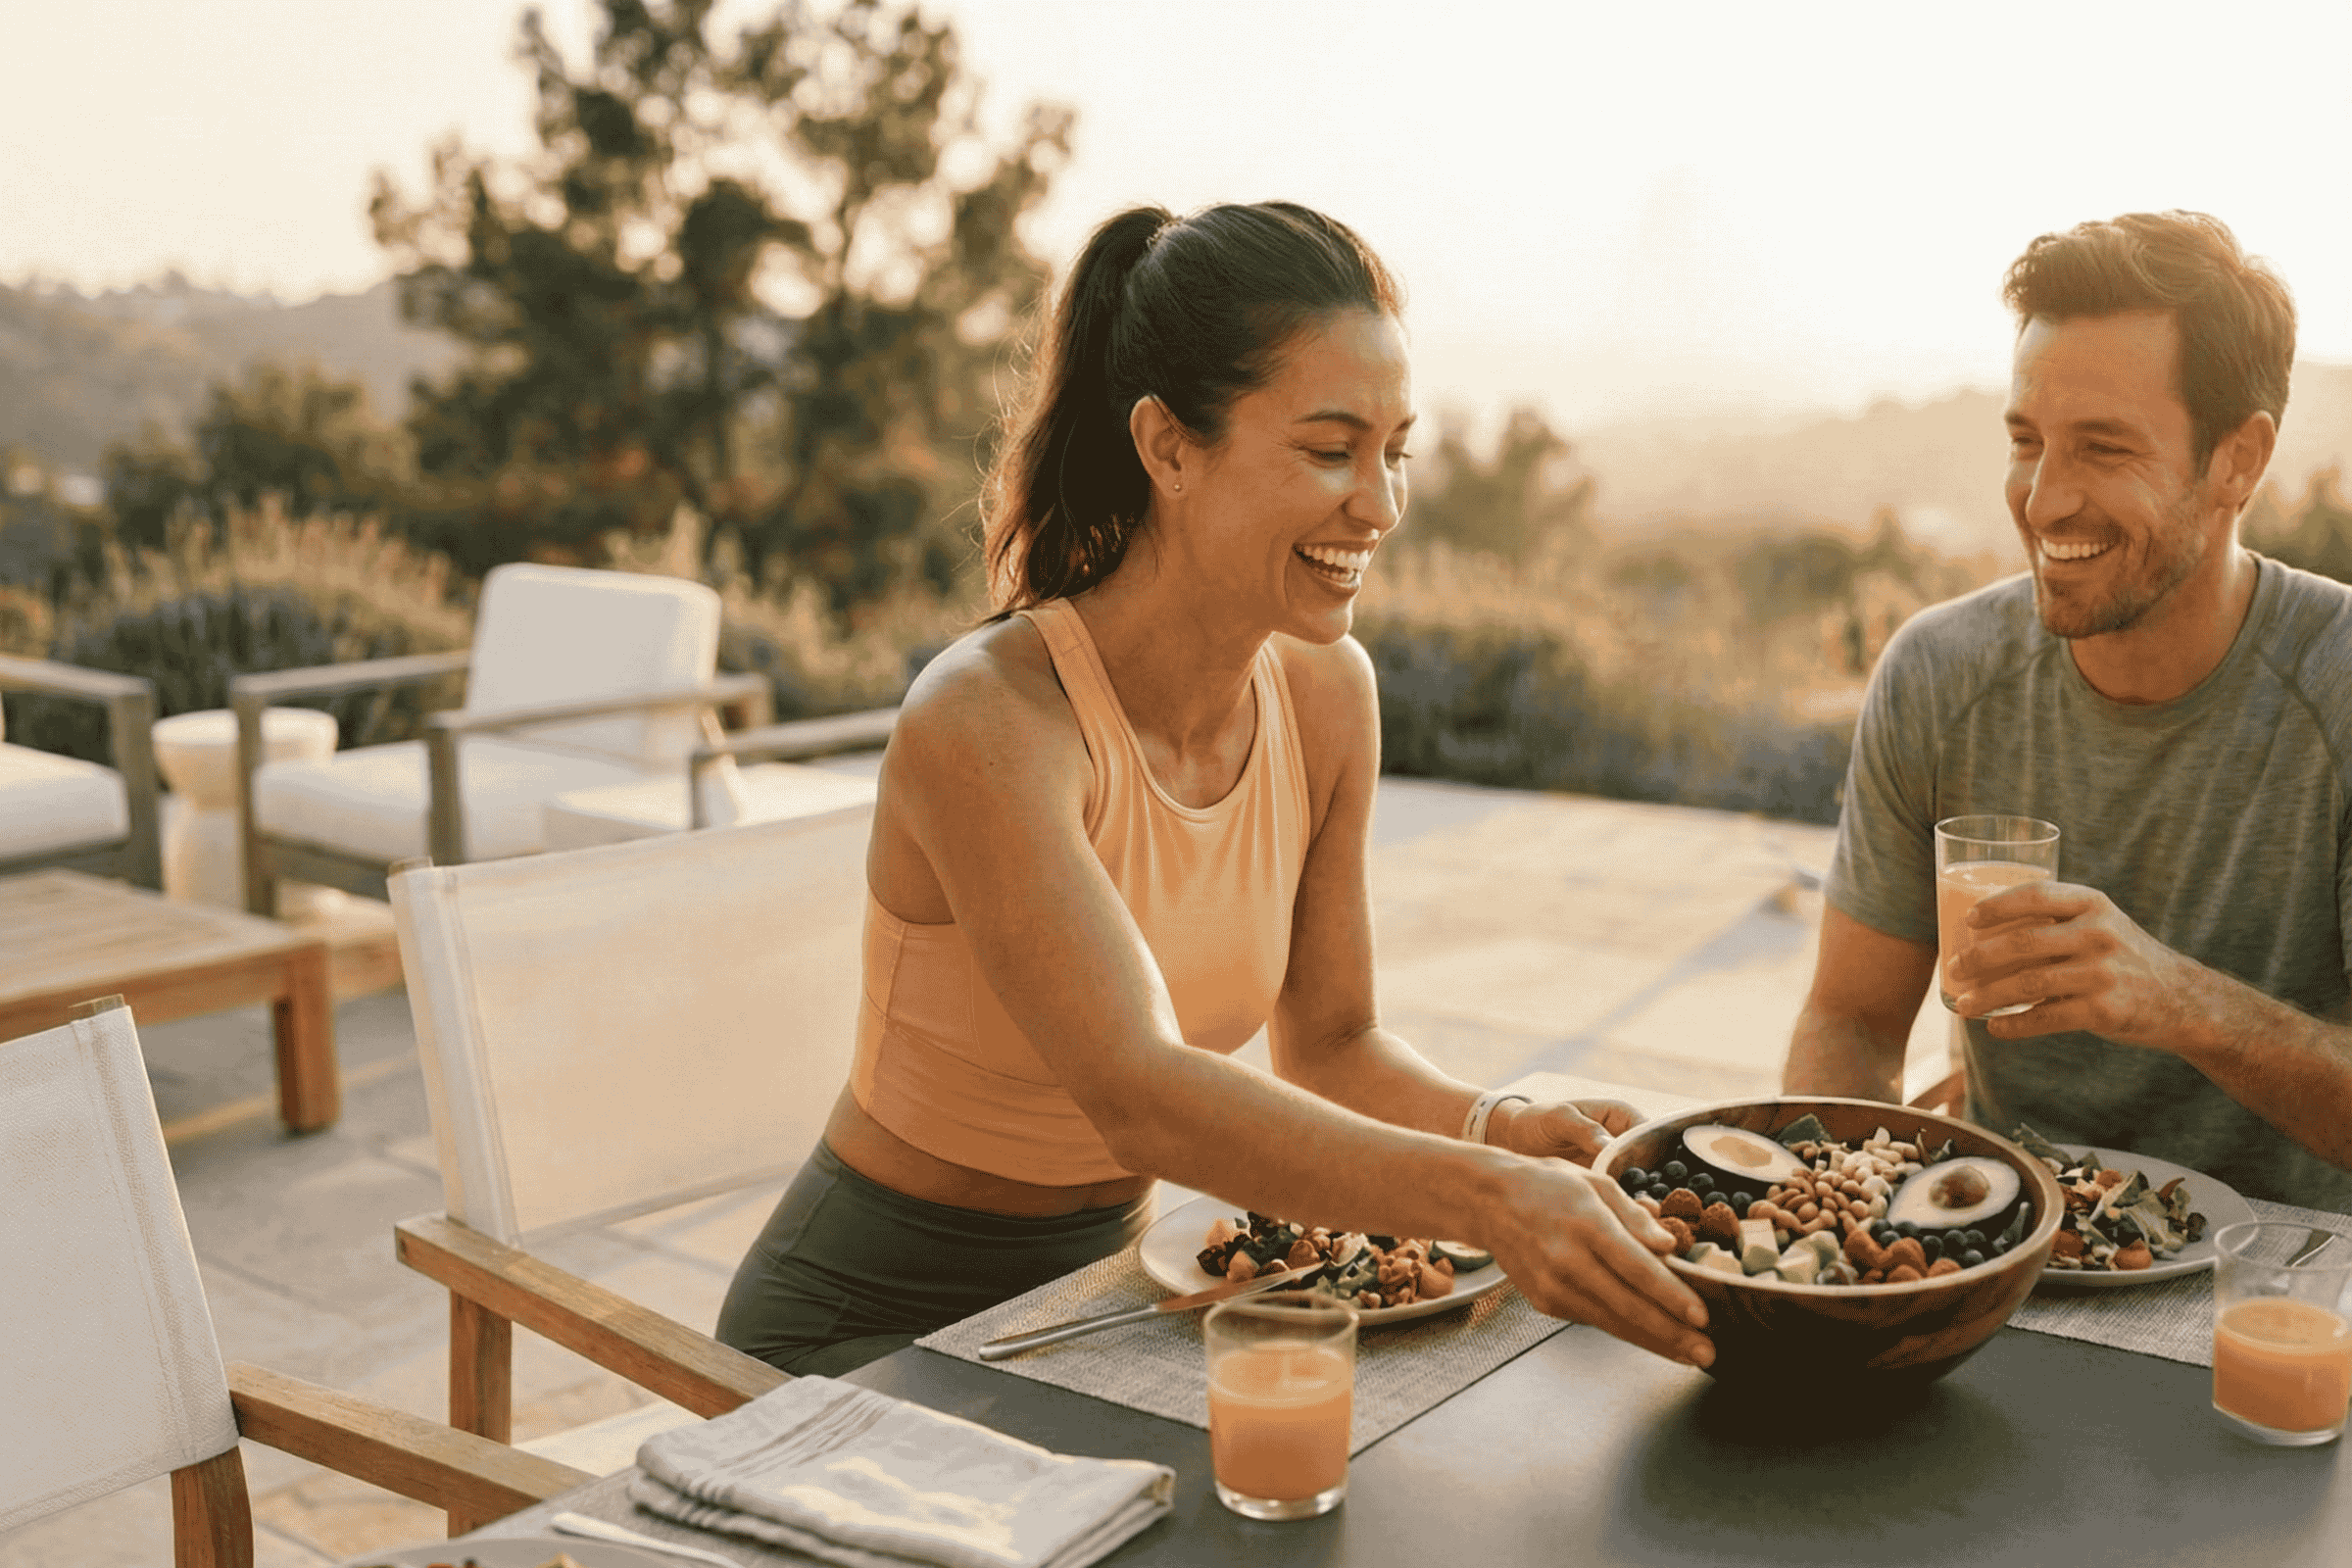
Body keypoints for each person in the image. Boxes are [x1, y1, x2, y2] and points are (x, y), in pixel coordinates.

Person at [716, 201, 1712, 1374]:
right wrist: (1490, 1198)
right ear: (1169, 447)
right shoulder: (988, 718)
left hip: (1100, 1311)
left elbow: (1334, 1041)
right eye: (1330, 449)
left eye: (1397, 452)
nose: (1381, 506)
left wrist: (1499, 1127)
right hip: (864, 1327)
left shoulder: (1328, 695)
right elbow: (1141, 1091)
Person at [1783, 209, 2352, 1213]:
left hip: (2279, 1305)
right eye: (2026, 441)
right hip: (2003, 1263)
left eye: (2102, 448)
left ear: (2239, 461)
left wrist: (2184, 1002)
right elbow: (1854, 1022)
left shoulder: (2339, 688)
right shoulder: (1939, 673)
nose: (2044, 501)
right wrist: (1845, 1225)